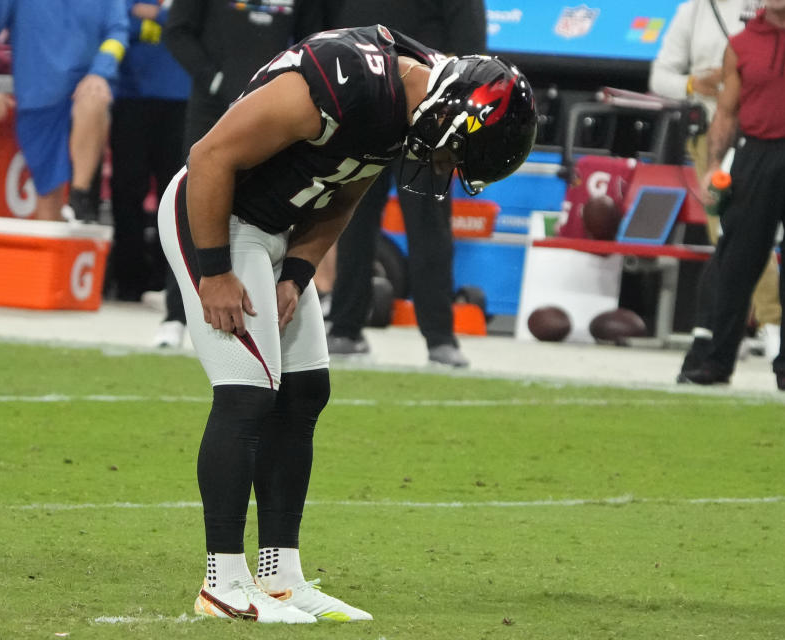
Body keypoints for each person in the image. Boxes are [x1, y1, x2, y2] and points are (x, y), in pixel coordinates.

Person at [158, 25, 537, 621]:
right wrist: (215, 272)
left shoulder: (412, 104)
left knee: (306, 390)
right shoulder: (350, 81)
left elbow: (347, 190)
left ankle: (280, 575)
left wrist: (299, 272)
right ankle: (221, 583)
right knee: (247, 394)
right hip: (214, 215)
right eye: (454, 151)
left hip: (276, 232)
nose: (444, 163)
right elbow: (209, 155)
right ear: (452, 115)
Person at [678, 0, 785, 392]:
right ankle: (717, 361)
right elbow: (726, 110)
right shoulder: (741, 44)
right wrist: (715, 165)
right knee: (736, 260)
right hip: (756, 155)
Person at [320, 0, 488, 367]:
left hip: (427, 112)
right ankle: (345, 328)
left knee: (428, 224)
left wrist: (451, 109)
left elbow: (472, 47)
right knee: (352, 219)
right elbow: (325, 31)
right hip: (362, 106)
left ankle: (439, 336)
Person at [152, 0, 328, 347]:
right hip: (213, 109)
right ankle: (175, 315)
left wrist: (291, 90)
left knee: (270, 210)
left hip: (273, 112)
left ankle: (264, 315)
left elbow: (314, 42)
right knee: (194, 208)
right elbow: (177, 32)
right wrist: (215, 79)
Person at [650, 0, 784, 362]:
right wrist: (696, 82)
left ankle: (766, 325)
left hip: (768, 131)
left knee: (753, 230)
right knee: (726, 232)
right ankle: (753, 326)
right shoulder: (693, 11)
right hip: (712, 135)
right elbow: (660, 77)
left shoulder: (772, 5)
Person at [0, 0, 129, 222]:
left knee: (95, 98)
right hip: (39, 98)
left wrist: (100, 72)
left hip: (81, 91)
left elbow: (117, 34)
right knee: (48, 199)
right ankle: (54, 250)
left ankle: (79, 194)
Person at [108, 0, 190, 301]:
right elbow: (115, 26)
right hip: (132, 99)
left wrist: (160, 16)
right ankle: (128, 279)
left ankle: (167, 280)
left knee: (176, 193)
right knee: (127, 188)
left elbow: (197, 28)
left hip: (183, 102)